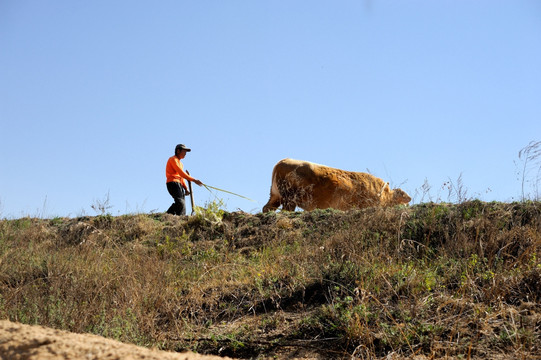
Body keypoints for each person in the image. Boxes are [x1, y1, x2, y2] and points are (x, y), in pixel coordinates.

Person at [165, 144, 203, 215]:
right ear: (178, 151)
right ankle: (167, 215)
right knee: (180, 202)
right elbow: (181, 173)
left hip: (179, 184)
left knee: (182, 206)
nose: (185, 153)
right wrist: (194, 180)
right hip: (172, 183)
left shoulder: (181, 164)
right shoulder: (173, 159)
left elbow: (181, 177)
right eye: (184, 151)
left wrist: (186, 188)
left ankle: (179, 219)